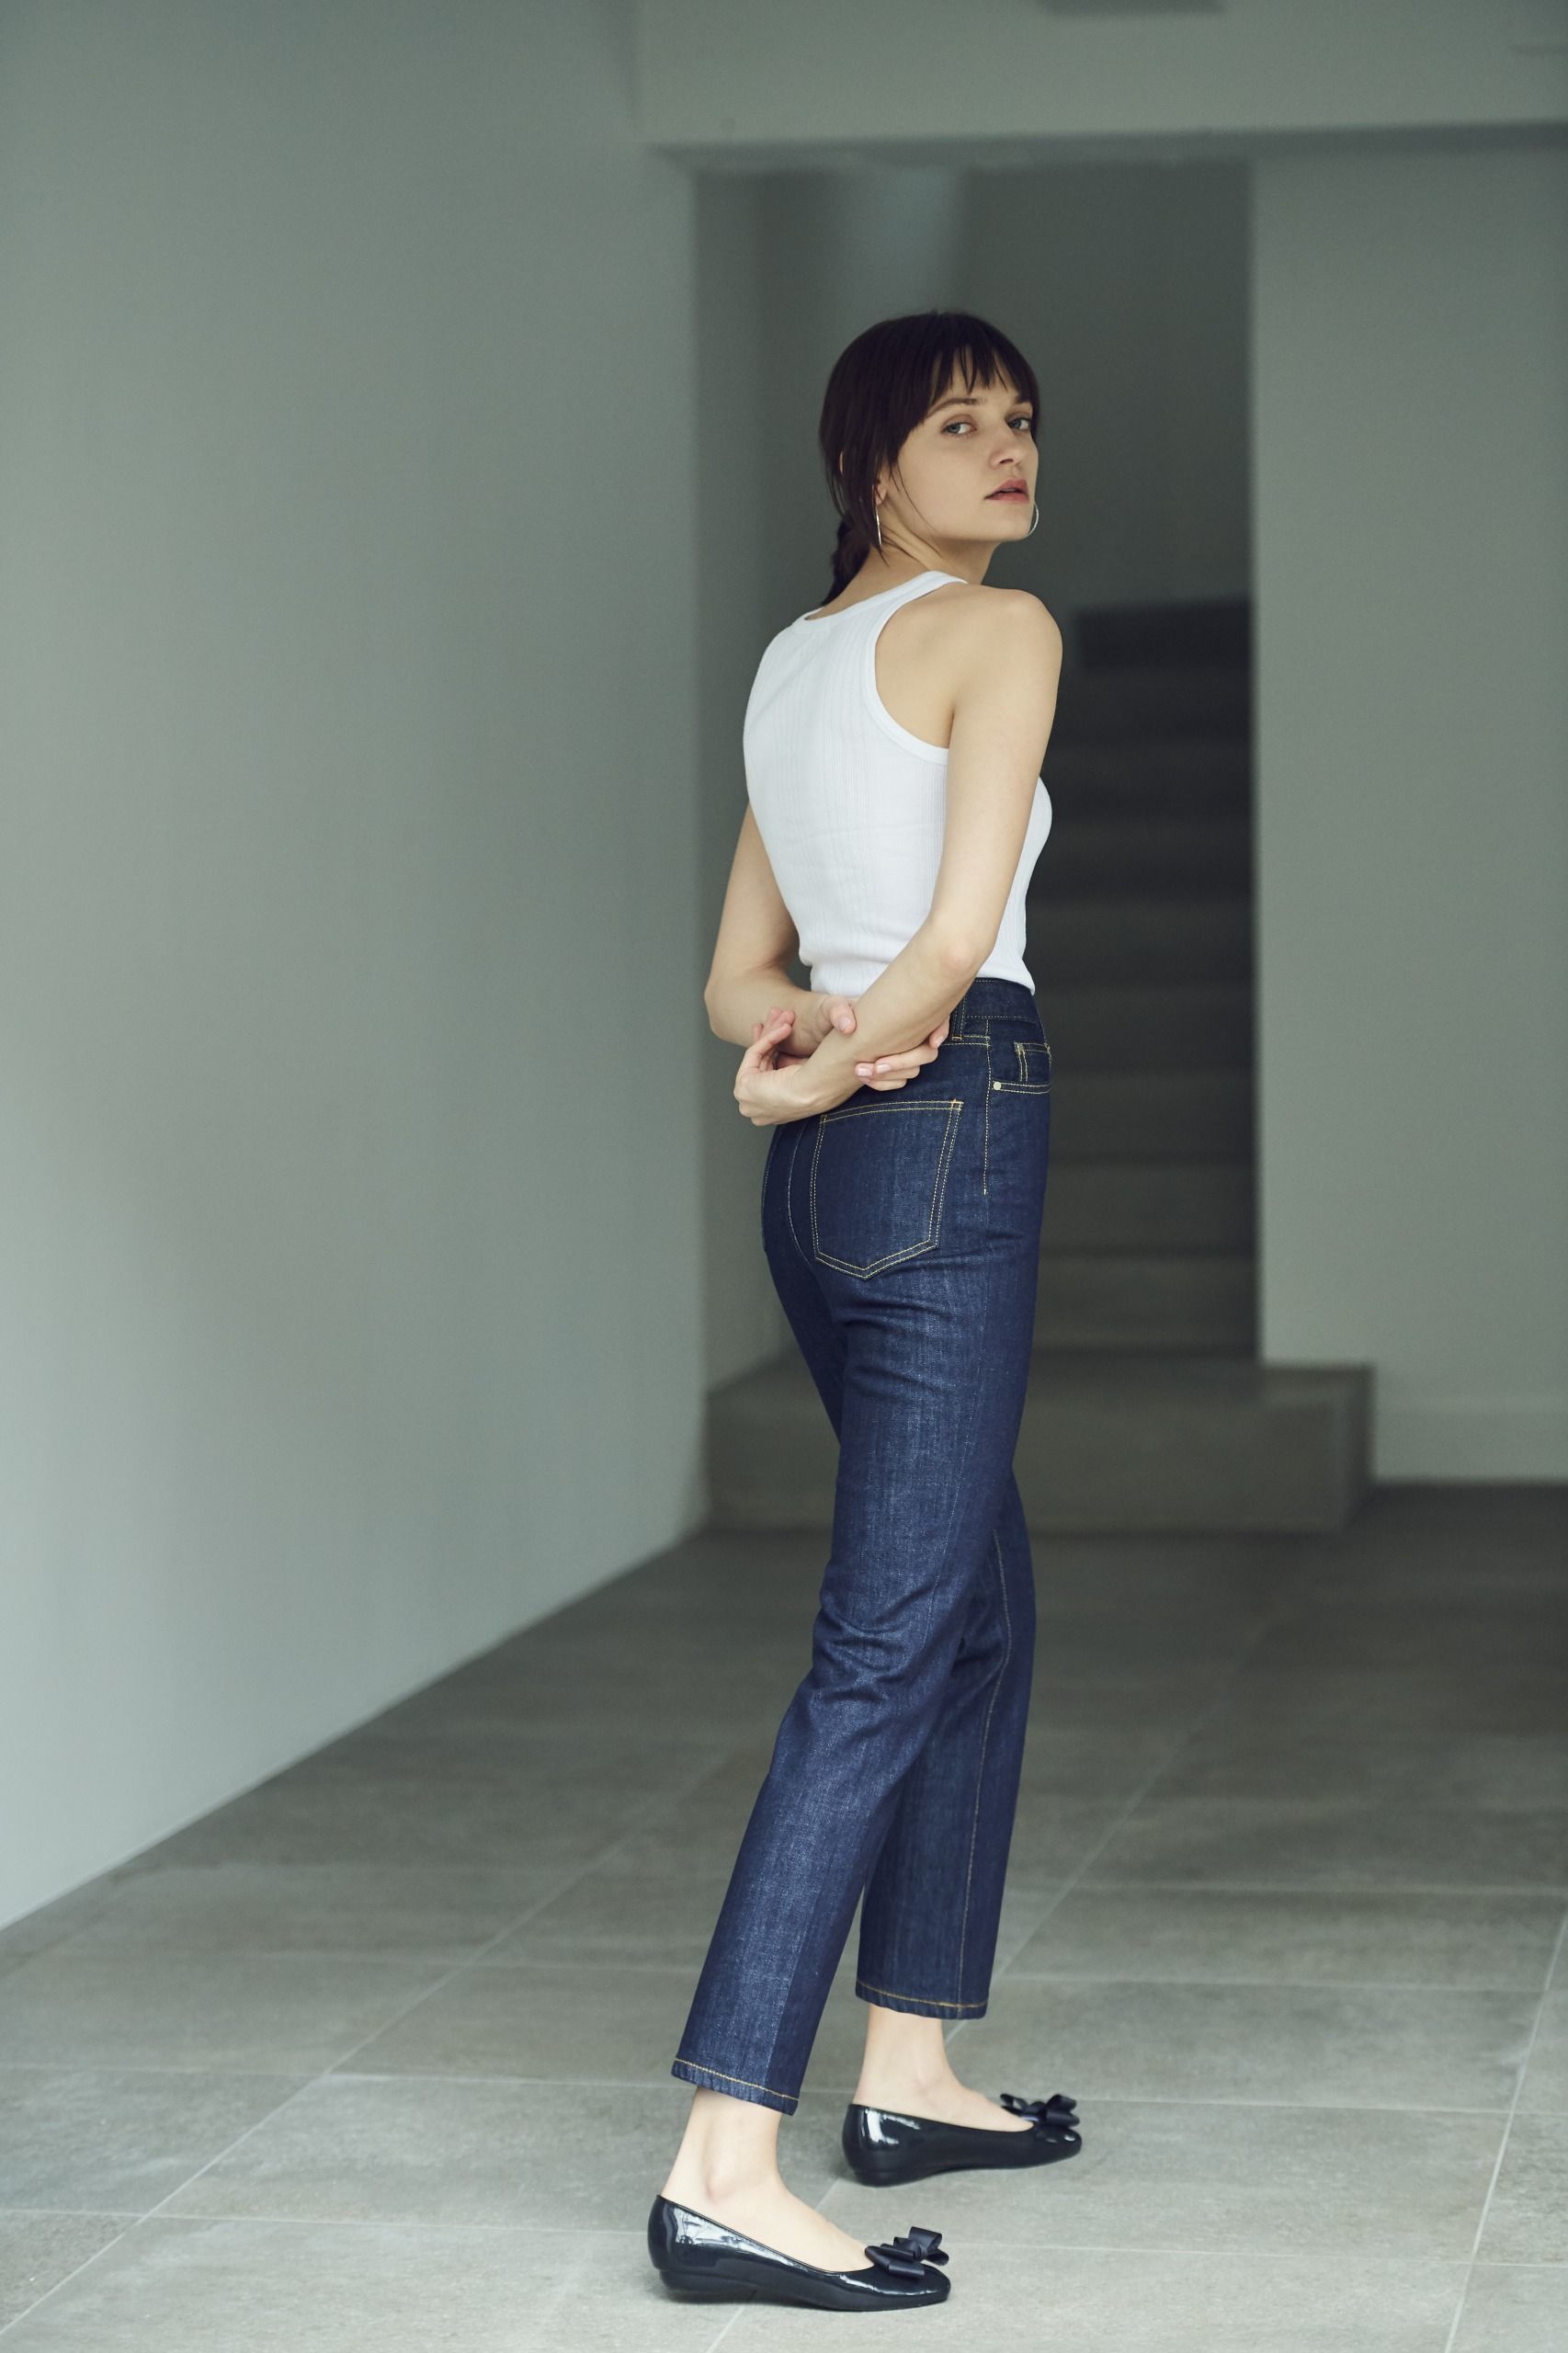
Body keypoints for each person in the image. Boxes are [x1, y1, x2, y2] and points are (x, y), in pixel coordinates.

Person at [647, 311, 1083, 2315]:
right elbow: (954, 935)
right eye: (957, 420)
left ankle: (904, 2071)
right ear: (870, 464)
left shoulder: (790, 661)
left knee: (971, 1607)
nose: (1004, 448)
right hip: (944, 1120)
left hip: (823, 1175)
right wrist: (835, 1055)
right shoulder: (1001, 631)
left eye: (1020, 419)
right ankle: (724, 2165)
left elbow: (737, 975)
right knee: (891, 1645)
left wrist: (790, 1062)